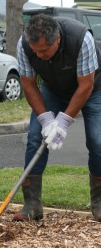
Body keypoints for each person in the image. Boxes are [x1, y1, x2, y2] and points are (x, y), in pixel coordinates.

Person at [13, 13, 101, 222]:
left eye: (44, 50)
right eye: (36, 51)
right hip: (53, 90)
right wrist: (45, 119)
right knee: (35, 137)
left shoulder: (81, 39)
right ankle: (32, 204)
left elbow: (85, 85)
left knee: (97, 140)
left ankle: (99, 202)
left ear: (58, 39)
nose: (39, 55)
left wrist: (63, 122)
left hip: (94, 89)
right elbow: (28, 83)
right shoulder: (24, 44)